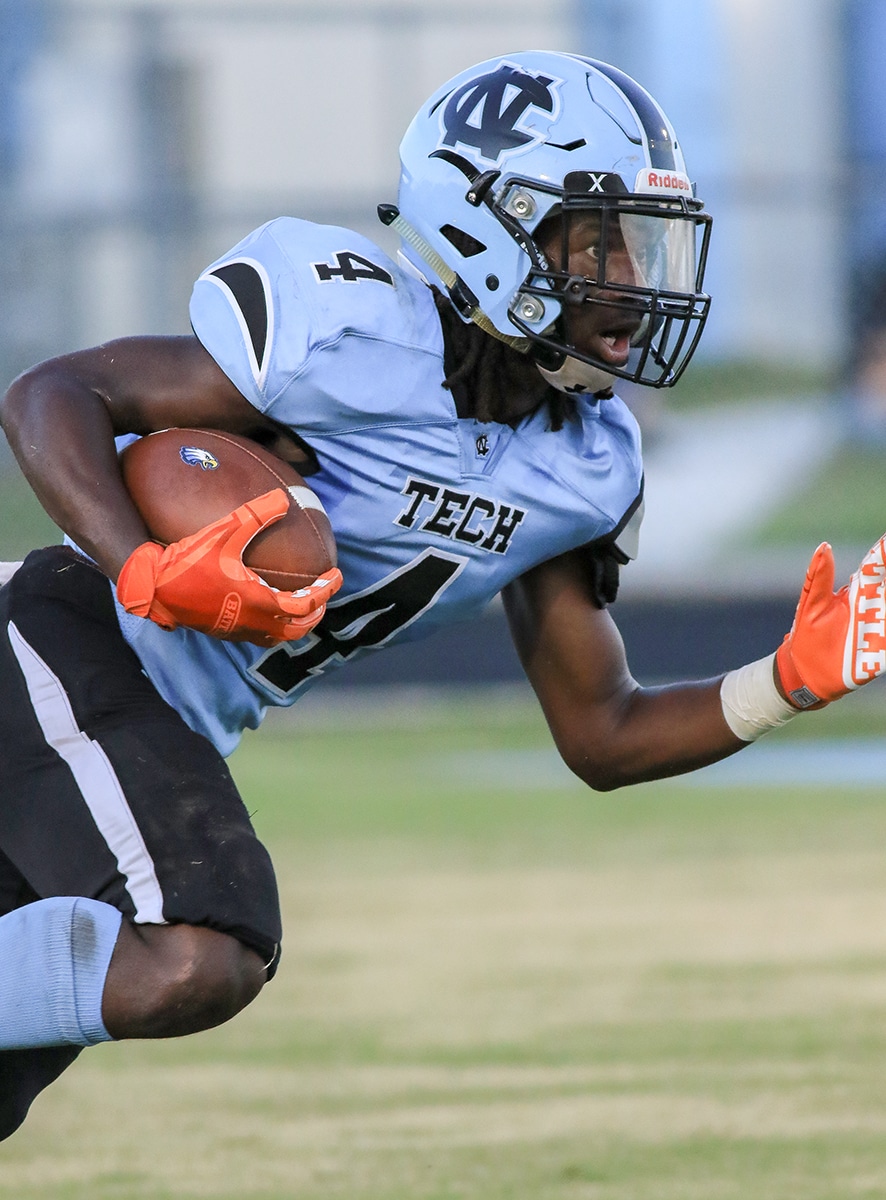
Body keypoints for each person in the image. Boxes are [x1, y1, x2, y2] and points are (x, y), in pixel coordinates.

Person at [0, 50, 884, 1140]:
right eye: (598, 239)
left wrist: (785, 681)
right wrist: (139, 556)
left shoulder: (586, 463)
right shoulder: (356, 331)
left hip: (142, 717)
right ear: (489, 228)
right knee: (198, 944)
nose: (633, 277)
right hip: (57, 643)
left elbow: (601, 732)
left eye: (644, 243)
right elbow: (54, 390)